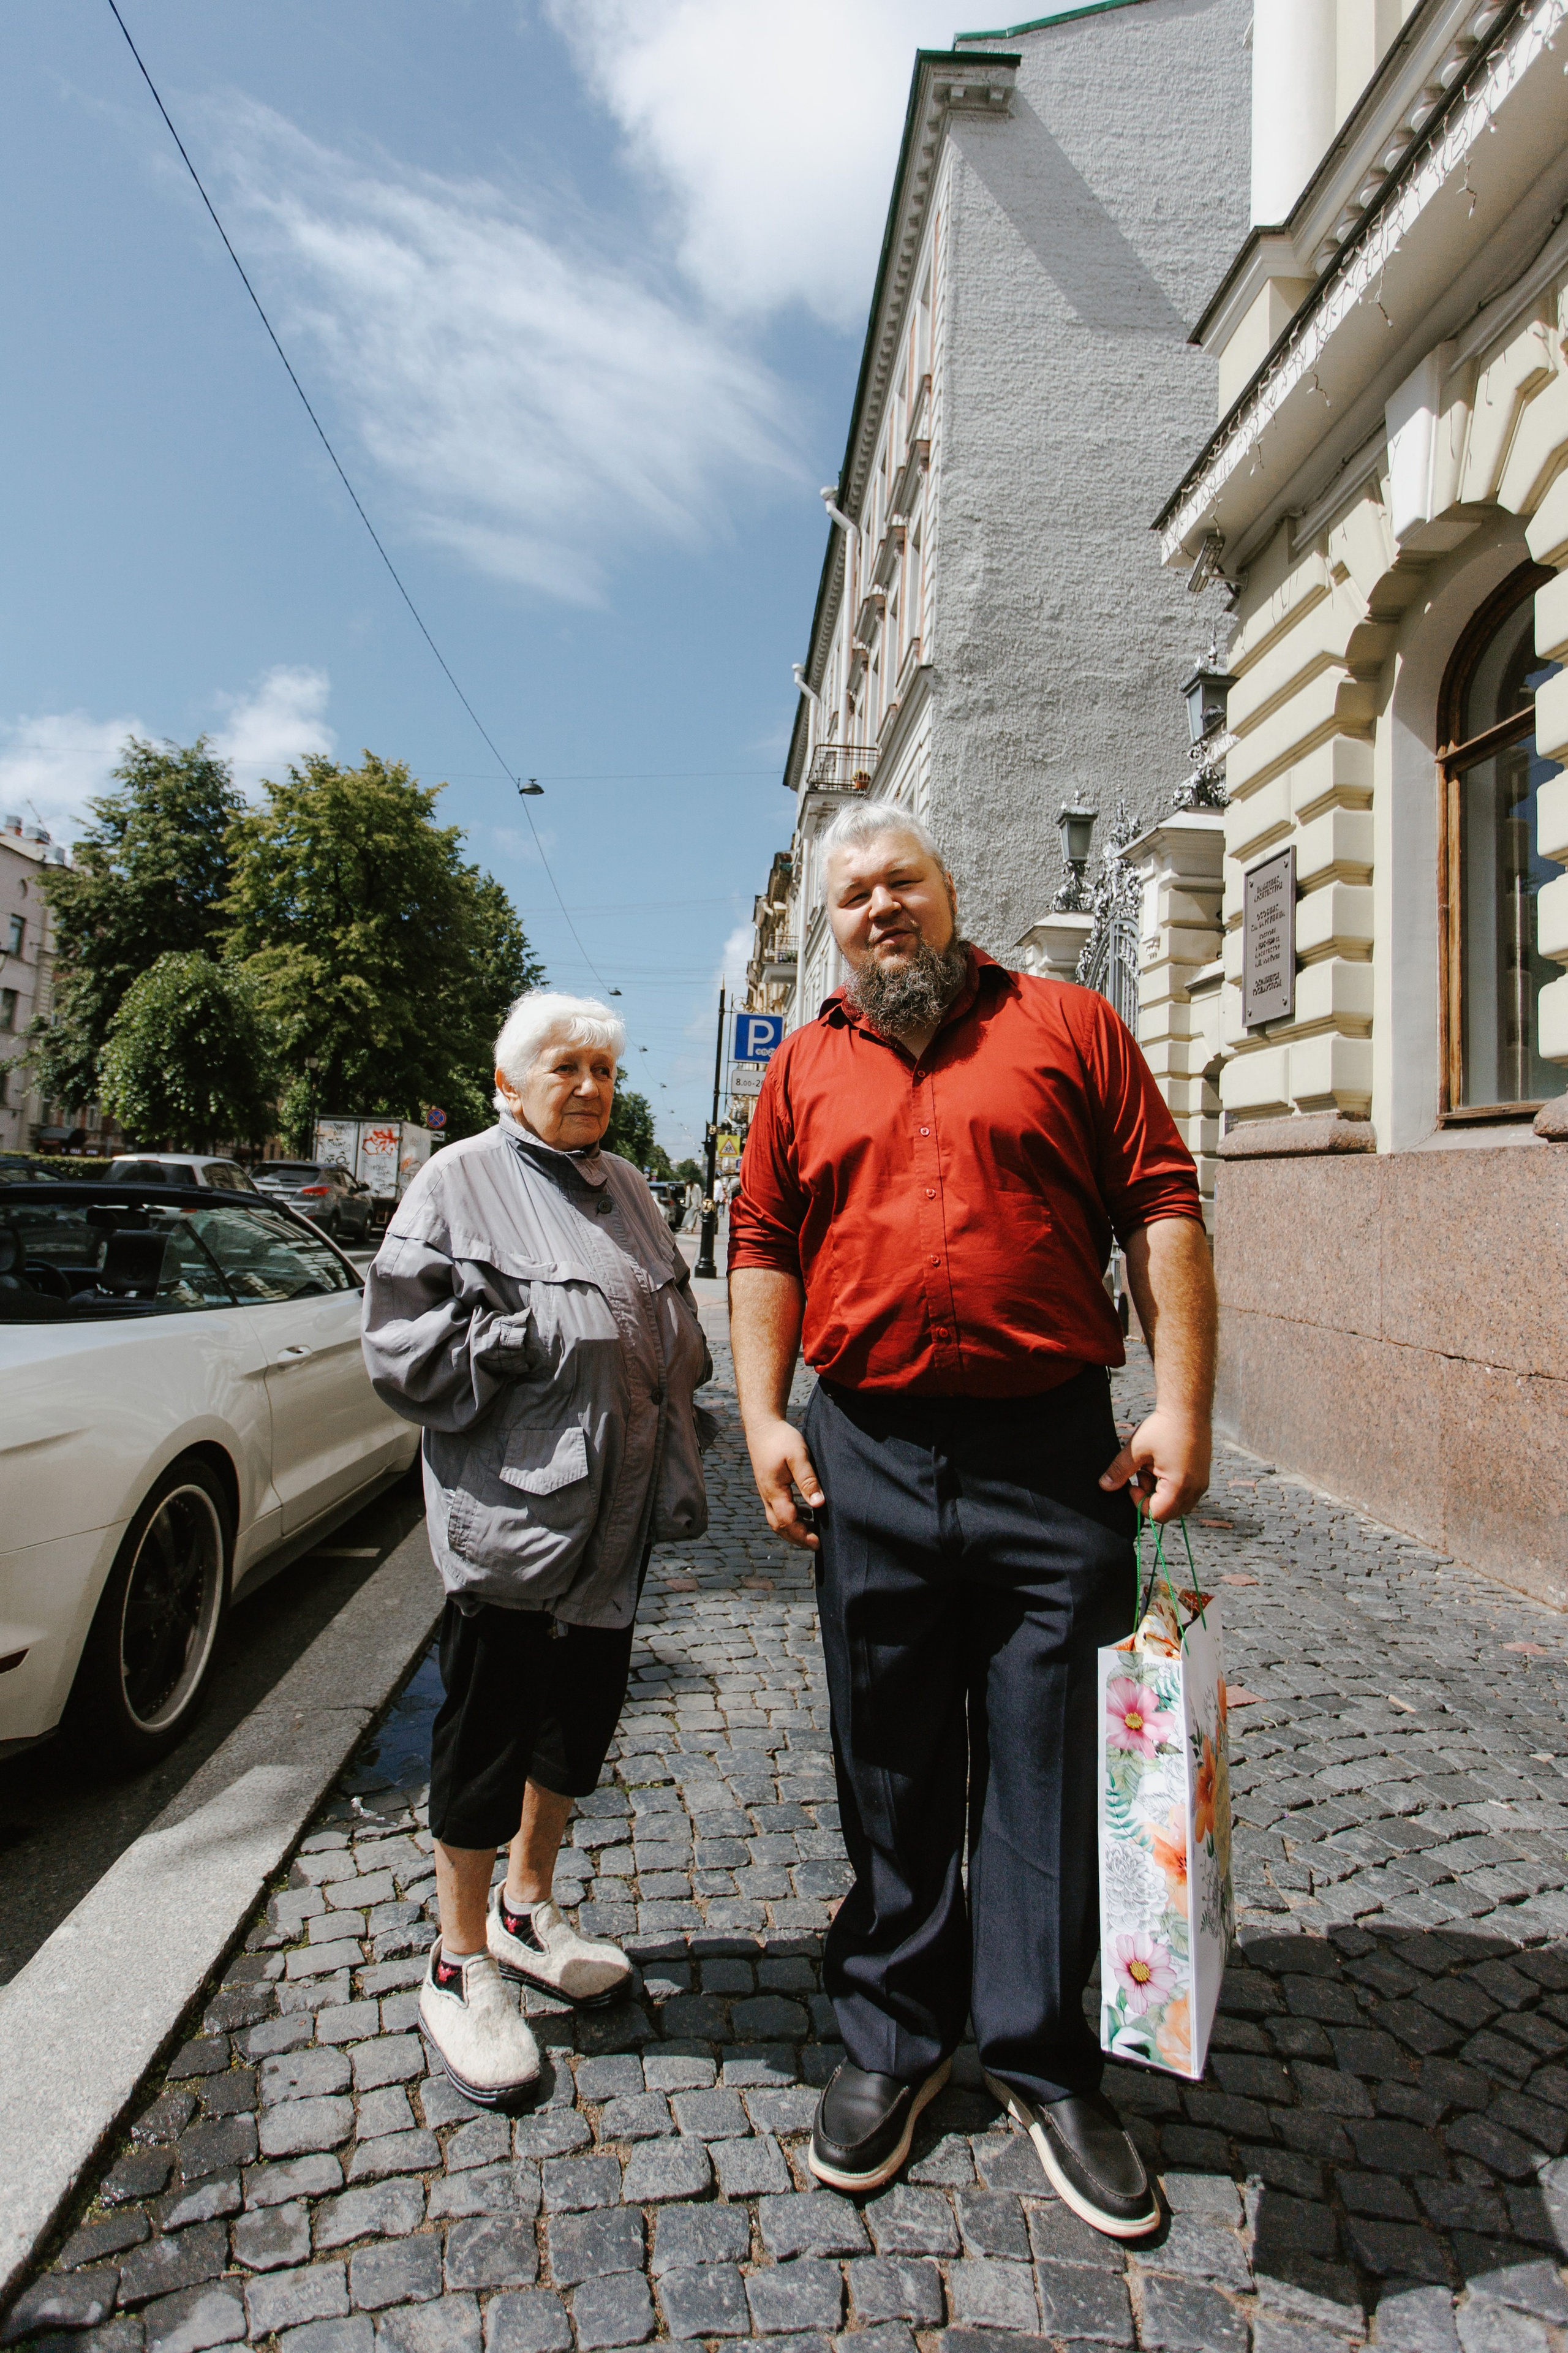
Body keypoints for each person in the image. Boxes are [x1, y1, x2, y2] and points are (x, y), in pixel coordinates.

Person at [728, 803, 1216, 2236]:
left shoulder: (1065, 1024)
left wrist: (1181, 1403)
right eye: (852, 896)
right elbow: (762, 1240)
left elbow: (1161, 1201)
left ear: (950, 891)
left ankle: (1042, 2053)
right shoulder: (805, 1063)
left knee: (1046, 1753)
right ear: (833, 927)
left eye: (902, 882)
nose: (879, 907)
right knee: (887, 1751)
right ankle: (890, 2031)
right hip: (862, 1448)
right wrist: (764, 1416)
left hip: (1053, 1452)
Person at [362, 990, 714, 2108]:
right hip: (515, 1522)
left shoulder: (632, 1190)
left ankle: (527, 1906)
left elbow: (670, 1325)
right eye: (567, 1068)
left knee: (576, 1728)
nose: (592, 1086)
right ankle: (457, 1959)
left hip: (613, 1526)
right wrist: (522, 1338)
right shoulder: (456, 1181)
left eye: (605, 1069)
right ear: (508, 1083)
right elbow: (400, 1350)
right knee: (487, 1735)